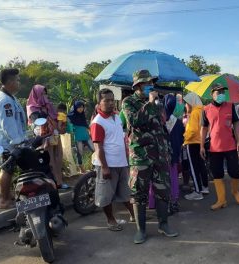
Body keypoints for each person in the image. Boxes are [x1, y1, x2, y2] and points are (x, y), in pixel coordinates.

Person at [122, 69, 178, 244]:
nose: (150, 86)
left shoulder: (158, 103)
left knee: (163, 190)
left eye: (151, 83)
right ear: (138, 85)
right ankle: (141, 230)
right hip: (140, 156)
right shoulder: (128, 102)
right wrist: (150, 103)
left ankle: (163, 224)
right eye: (147, 83)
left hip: (160, 154)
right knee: (139, 192)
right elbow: (135, 122)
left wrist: (168, 149)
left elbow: (162, 125)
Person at [90, 89, 134, 231]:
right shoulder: (98, 122)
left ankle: (134, 214)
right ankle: (111, 220)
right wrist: (104, 167)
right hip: (108, 164)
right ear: (99, 104)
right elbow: (98, 147)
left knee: (126, 192)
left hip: (121, 162)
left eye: (112, 100)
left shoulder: (116, 117)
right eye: (106, 101)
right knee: (106, 195)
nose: (110, 103)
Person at [200, 83, 239, 210]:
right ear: (212, 94)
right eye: (218, 93)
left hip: (230, 146)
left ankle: (235, 192)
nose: (221, 95)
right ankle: (221, 200)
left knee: (235, 171)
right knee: (217, 173)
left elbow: (236, 124)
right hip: (214, 148)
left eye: (223, 92)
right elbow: (203, 128)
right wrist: (201, 146)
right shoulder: (206, 109)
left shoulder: (230, 106)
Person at [0, 68, 27, 209]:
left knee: (10, 169)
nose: (19, 83)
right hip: (7, 143)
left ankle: (8, 195)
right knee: (7, 169)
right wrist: (18, 141)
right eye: (17, 80)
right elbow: (8, 125)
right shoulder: (4, 100)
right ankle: (4, 200)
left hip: (12, 142)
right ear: (10, 82)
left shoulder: (10, 97)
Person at [26, 84, 68, 189]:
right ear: (36, 94)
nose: (44, 96)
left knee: (59, 157)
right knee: (50, 159)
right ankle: (53, 182)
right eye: (42, 94)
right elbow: (37, 122)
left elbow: (56, 117)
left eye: (45, 94)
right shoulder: (32, 107)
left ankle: (60, 181)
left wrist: (60, 124)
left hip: (54, 133)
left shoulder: (48, 105)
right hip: (44, 135)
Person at [183, 92, 209, 200]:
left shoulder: (194, 113)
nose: (185, 106)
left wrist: (185, 139)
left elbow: (192, 130)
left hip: (192, 142)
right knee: (201, 165)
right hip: (201, 141)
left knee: (193, 168)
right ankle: (204, 186)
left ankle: (197, 191)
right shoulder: (202, 110)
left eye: (186, 103)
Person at [68, 101, 95, 173]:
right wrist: (72, 129)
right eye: (79, 107)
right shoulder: (70, 116)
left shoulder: (82, 115)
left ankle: (94, 166)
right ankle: (81, 168)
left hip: (86, 135)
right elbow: (69, 126)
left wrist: (90, 131)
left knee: (94, 150)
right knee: (79, 152)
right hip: (78, 136)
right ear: (75, 108)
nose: (81, 109)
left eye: (82, 107)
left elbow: (86, 125)